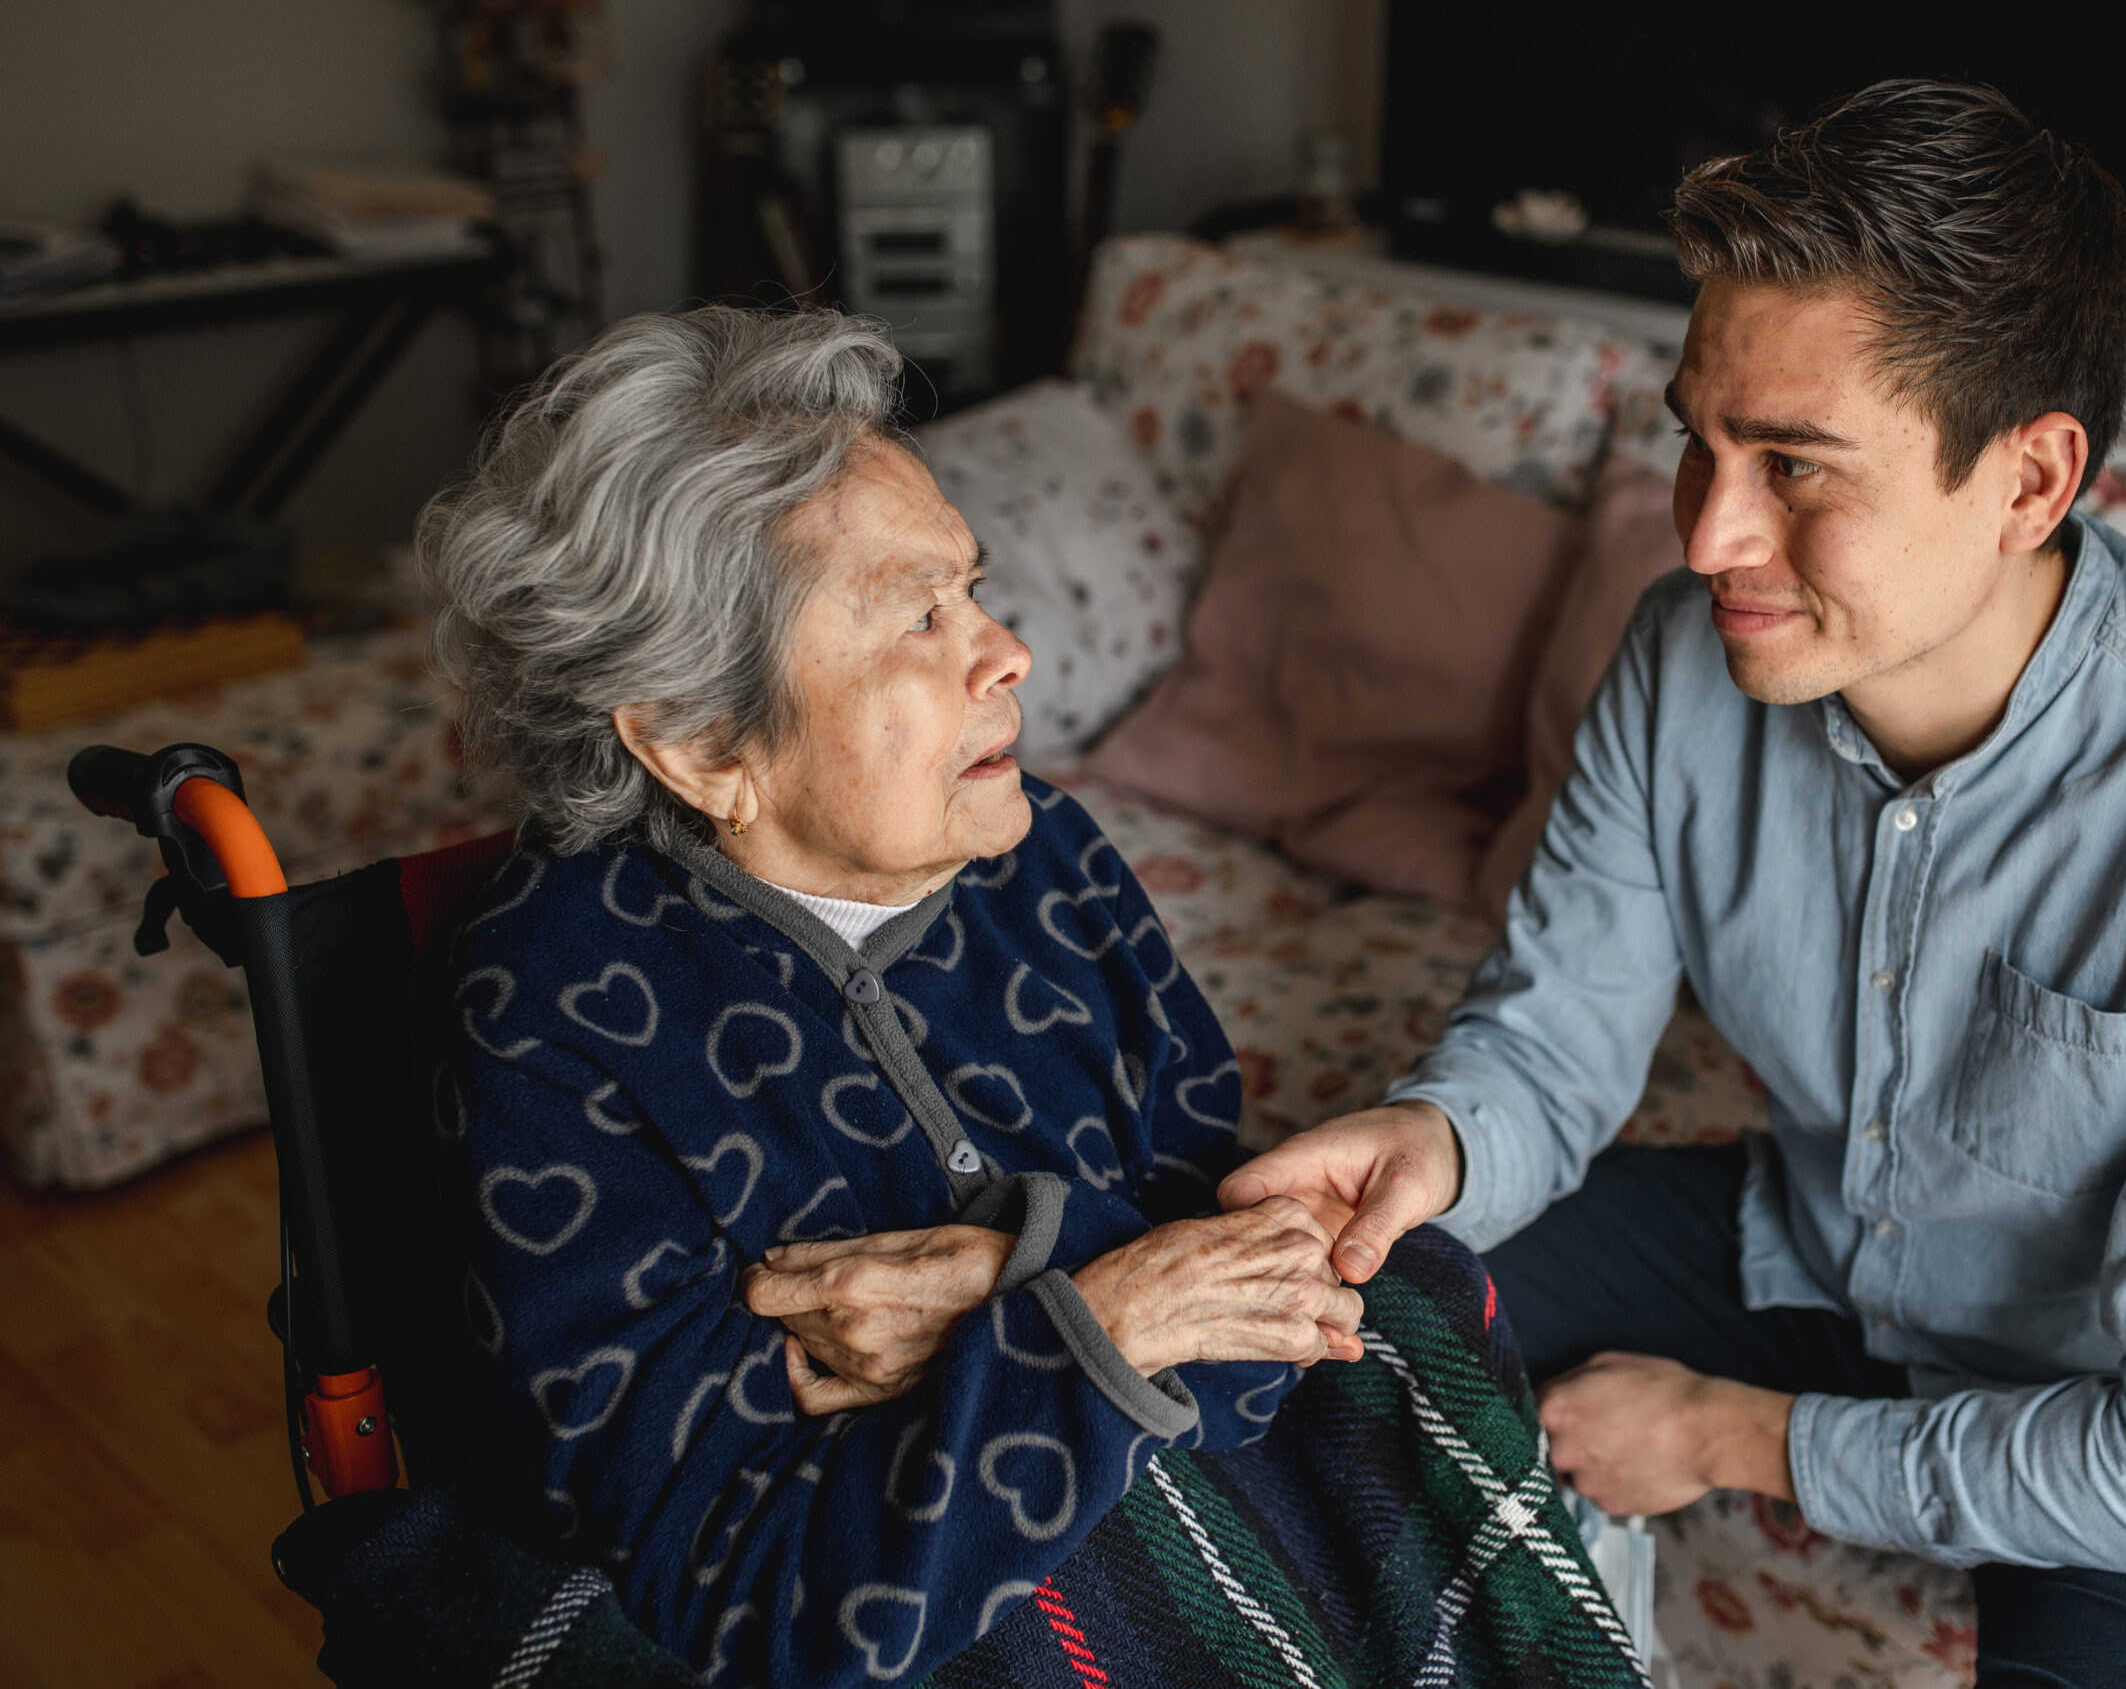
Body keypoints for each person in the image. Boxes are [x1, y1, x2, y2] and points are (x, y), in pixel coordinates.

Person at [1227, 80, 2126, 1689]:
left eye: (1795, 466)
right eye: (1699, 441)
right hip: (1801, 1249)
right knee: (1295, 1322)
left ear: (2030, 480)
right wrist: (1441, 1139)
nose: (1714, 532)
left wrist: (1735, 1439)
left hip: (2124, 1390)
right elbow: (1551, 1037)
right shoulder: (1683, 659)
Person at [423, 307, 1647, 1689]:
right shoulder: (556, 1006)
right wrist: (1096, 1321)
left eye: (978, 591)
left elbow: (1253, 1291)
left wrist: (1019, 1283)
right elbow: (750, 1582)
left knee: (1409, 1278)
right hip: (903, 1601)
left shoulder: (1045, 856)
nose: (1005, 653)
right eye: (922, 617)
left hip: (1126, 1481)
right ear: (705, 743)